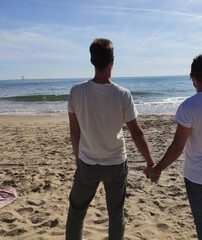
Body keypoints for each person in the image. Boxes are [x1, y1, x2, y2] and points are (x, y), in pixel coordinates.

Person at [66, 38, 155, 240]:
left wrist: (77, 158)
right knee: (115, 213)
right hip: (115, 163)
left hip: (88, 162)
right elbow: (136, 132)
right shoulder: (122, 94)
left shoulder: (76, 92)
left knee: (77, 211)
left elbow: (74, 131)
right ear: (112, 61)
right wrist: (151, 162)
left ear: (92, 61)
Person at [145, 54, 202, 240]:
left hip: (197, 173)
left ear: (191, 77)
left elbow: (177, 148)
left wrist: (157, 169)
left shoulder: (188, 106)